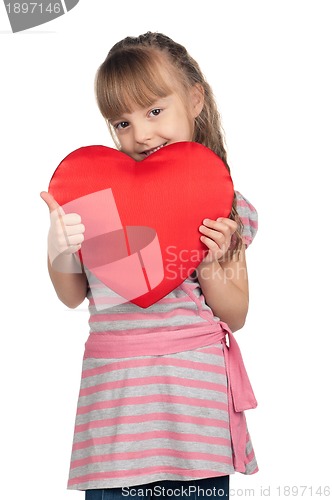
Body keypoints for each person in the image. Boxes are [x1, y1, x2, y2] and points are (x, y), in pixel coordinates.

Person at [41, 32, 259, 499]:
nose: (140, 134)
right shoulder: (95, 199)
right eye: (121, 122)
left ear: (194, 98)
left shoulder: (225, 205)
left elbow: (235, 315)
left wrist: (209, 261)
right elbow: (72, 295)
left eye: (154, 111)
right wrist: (59, 247)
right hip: (115, 411)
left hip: (194, 406)